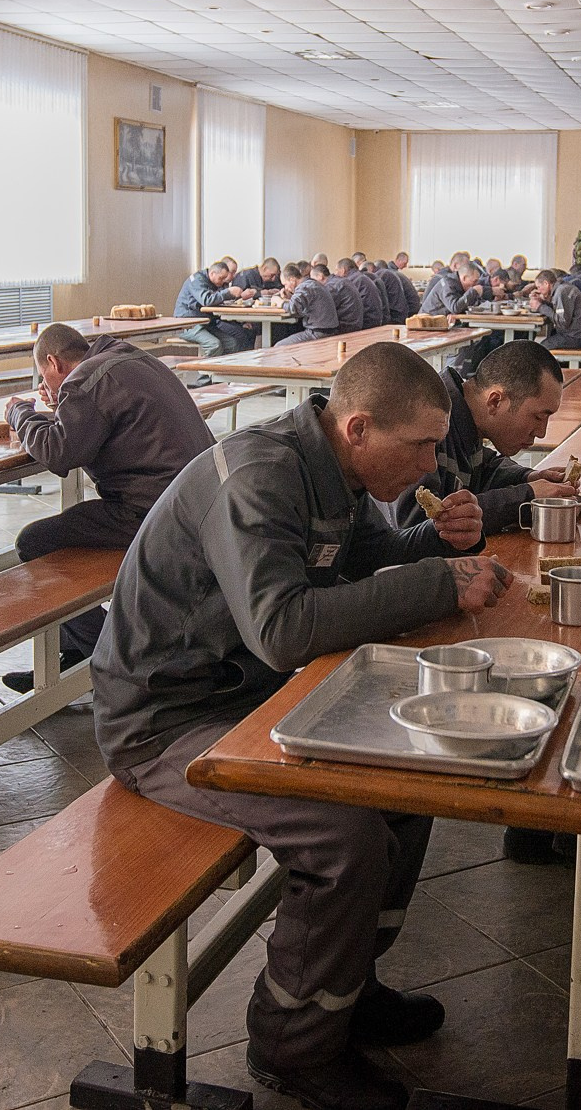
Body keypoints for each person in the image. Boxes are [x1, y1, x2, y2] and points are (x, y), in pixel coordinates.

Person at [92, 344, 508, 1110]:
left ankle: (346, 985)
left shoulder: (334, 468)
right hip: (163, 720)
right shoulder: (260, 474)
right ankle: (293, 1041)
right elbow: (283, 629)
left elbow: (365, 556)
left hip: (242, 698)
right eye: (419, 445)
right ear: (358, 428)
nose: (429, 463)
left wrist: (437, 542)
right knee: (341, 837)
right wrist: (437, 583)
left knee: (409, 778)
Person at [0, 323, 216, 694]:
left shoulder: (83, 383)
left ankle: (106, 653)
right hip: (202, 499)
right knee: (68, 536)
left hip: (154, 513)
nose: (47, 384)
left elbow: (59, 452)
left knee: (34, 542)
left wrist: (20, 413)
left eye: (44, 376)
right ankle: (68, 652)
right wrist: (63, 404)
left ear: (53, 362)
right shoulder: (129, 358)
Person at [389, 340, 578, 536]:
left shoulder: (465, 416)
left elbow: (480, 469)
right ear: (495, 401)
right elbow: (418, 525)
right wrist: (526, 497)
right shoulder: (427, 424)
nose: (541, 432)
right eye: (538, 417)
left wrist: (528, 478)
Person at [176, 260, 256, 358]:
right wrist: (228, 292)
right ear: (212, 273)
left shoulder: (216, 283)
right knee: (214, 345)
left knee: (233, 344)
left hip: (206, 323)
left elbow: (220, 298)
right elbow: (206, 300)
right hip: (188, 324)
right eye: (221, 278)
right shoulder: (196, 280)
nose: (223, 282)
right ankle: (205, 373)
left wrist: (237, 295)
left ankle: (222, 371)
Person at [530, 267, 581, 352]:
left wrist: (540, 307)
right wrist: (542, 301)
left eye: (539, 287)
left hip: (577, 336)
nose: (538, 290)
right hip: (579, 333)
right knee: (549, 338)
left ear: (546, 283)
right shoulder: (562, 287)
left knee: (541, 348)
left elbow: (562, 322)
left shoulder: (562, 292)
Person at [279, 261, 343, 346]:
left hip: (319, 333)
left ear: (292, 280)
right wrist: (289, 298)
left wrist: (280, 302)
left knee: (279, 346)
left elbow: (293, 308)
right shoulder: (311, 283)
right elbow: (300, 304)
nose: (286, 288)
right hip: (327, 330)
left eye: (285, 284)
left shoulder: (304, 287)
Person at [326, 259, 369, 332]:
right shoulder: (361, 277)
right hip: (367, 321)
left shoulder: (347, 282)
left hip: (364, 324)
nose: (335, 274)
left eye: (336, 270)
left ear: (343, 270)